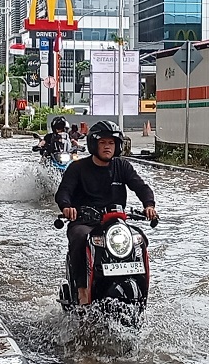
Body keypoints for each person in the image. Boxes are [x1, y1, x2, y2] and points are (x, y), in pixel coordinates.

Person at [55, 120, 157, 305]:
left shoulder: (122, 166)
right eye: (103, 143)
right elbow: (64, 192)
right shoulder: (78, 168)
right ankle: (82, 290)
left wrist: (149, 205)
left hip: (115, 223)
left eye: (111, 143)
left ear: (117, 146)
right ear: (94, 144)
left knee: (140, 239)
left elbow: (141, 187)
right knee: (79, 237)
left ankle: (142, 291)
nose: (107, 147)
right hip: (85, 222)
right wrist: (67, 207)